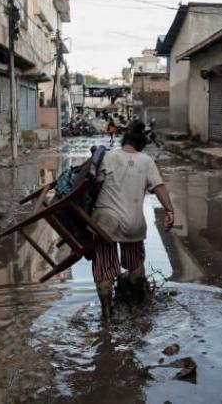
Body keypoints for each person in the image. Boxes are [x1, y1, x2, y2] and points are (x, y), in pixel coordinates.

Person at [91, 122, 175, 320]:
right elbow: (159, 186)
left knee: (104, 268)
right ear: (141, 144)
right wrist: (169, 210)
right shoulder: (146, 161)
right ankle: (138, 312)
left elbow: (92, 184)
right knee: (135, 265)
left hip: (105, 222)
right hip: (133, 223)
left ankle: (107, 313)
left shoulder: (108, 157)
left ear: (124, 140)